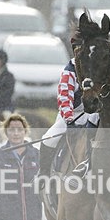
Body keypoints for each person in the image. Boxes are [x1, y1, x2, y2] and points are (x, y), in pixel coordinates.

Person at [38, 30, 89, 178]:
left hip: (92, 115)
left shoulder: (97, 69)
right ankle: (43, 174)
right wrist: (69, 119)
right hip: (72, 114)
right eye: (77, 48)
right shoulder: (70, 70)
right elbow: (65, 97)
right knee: (49, 139)